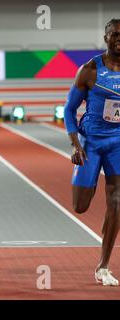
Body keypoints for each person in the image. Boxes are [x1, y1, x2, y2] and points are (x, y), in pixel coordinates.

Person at [64, 18, 120, 286]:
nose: (119, 38)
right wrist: (75, 144)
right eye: (115, 34)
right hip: (91, 142)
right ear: (106, 37)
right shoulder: (89, 70)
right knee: (80, 206)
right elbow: (68, 109)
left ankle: (104, 266)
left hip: (118, 143)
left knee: (117, 201)